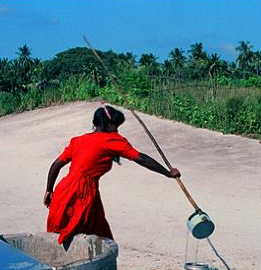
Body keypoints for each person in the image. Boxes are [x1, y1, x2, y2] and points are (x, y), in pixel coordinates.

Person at [45, 104, 180, 247]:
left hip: (63, 191)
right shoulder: (111, 140)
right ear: (109, 124)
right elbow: (141, 159)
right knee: (88, 240)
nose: (116, 129)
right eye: (116, 125)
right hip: (81, 194)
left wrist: (49, 190)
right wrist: (168, 173)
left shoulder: (77, 140)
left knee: (77, 237)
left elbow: (56, 165)